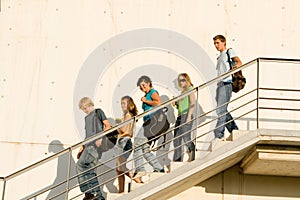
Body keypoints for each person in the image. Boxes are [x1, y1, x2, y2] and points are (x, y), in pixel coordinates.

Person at [76, 97, 111, 200]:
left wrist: (100, 137)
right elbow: (87, 135)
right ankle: (99, 197)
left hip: (95, 146)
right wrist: (82, 147)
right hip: (88, 145)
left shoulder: (98, 112)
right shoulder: (86, 118)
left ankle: (88, 192)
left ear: (90, 104)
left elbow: (108, 125)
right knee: (91, 171)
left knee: (80, 165)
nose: (85, 110)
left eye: (85, 107)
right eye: (83, 109)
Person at [133, 75, 165, 178]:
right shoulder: (147, 94)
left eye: (143, 85)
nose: (142, 88)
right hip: (148, 121)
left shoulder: (153, 92)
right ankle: (159, 168)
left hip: (151, 122)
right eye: (140, 87)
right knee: (145, 149)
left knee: (137, 143)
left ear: (149, 83)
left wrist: (146, 101)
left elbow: (158, 103)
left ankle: (140, 169)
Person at [213, 35, 242, 139]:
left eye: (218, 43)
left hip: (226, 83)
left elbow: (238, 61)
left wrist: (235, 67)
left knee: (221, 110)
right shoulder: (219, 56)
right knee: (221, 109)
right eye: (215, 44)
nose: (216, 45)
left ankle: (219, 134)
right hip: (220, 84)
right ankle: (234, 130)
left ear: (223, 42)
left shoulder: (229, 51)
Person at [115, 96, 143, 193]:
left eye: (124, 103)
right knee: (119, 169)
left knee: (120, 167)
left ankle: (137, 180)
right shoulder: (128, 115)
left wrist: (117, 125)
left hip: (125, 142)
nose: (122, 105)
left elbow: (124, 130)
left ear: (129, 104)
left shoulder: (128, 115)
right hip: (124, 142)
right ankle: (121, 191)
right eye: (121, 103)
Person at [173, 73, 196, 162]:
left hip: (186, 115)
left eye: (183, 80)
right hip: (180, 117)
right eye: (179, 80)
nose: (181, 82)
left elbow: (192, 103)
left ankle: (193, 151)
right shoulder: (182, 92)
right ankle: (177, 160)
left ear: (187, 80)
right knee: (176, 140)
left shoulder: (190, 89)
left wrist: (189, 116)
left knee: (186, 137)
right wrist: (176, 104)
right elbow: (181, 107)